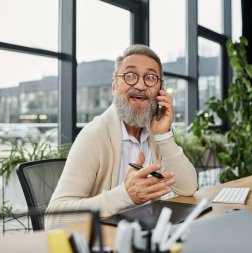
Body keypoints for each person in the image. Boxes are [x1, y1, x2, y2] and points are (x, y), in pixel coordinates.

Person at [45, 44, 198, 229]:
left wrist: (164, 135)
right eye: (130, 75)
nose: (140, 85)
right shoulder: (94, 136)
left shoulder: (154, 133)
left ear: (160, 91)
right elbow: (53, 220)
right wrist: (126, 195)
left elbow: (188, 188)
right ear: (114, 86)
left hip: (149, 238)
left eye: (150, 78)